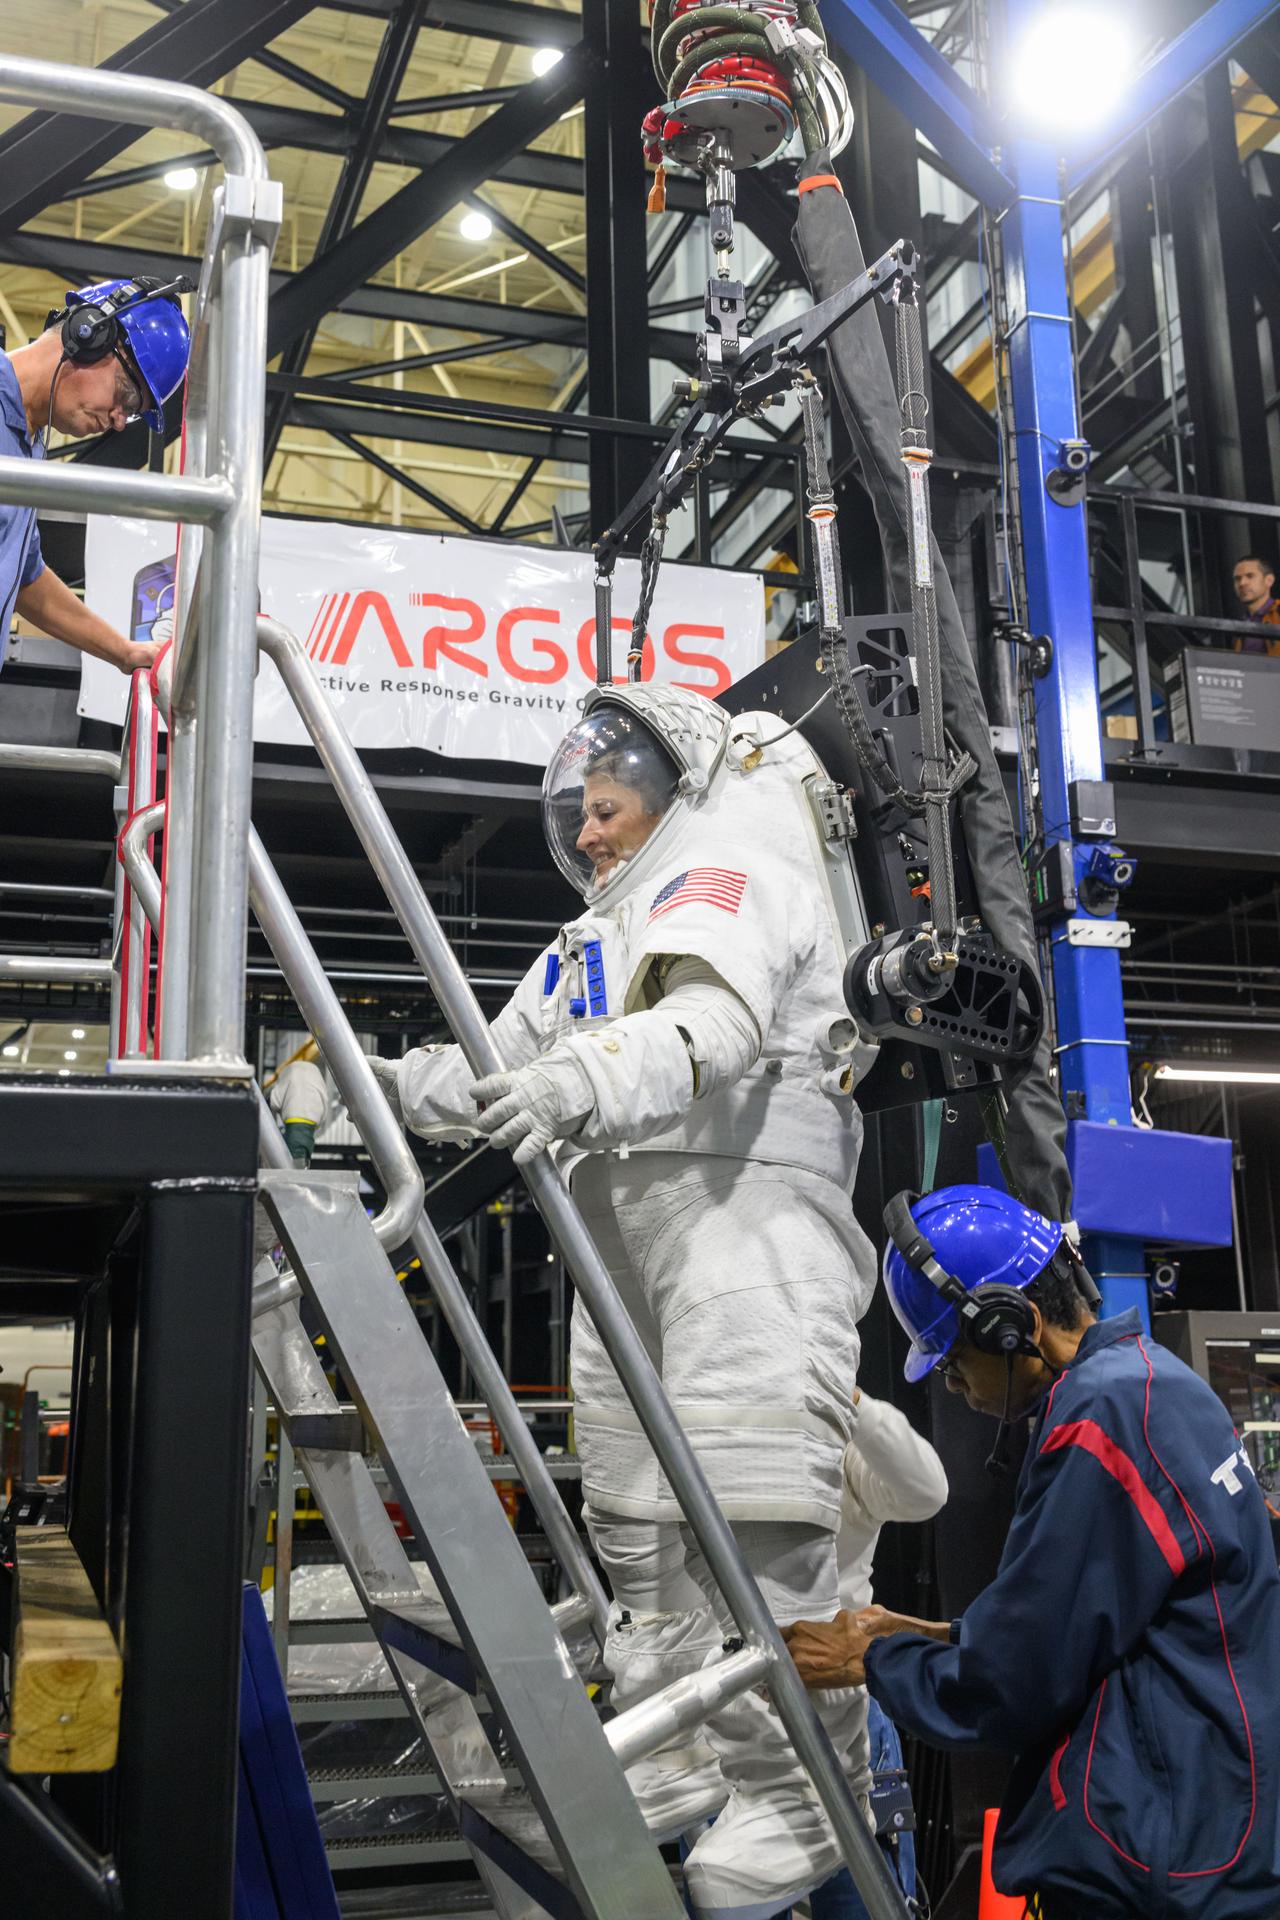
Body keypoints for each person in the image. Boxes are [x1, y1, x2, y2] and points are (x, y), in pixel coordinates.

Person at [373, 682, 882, 1919]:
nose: (589, 832)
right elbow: (501, 1068)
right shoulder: (595, 936)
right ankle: (676, 1743)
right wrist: (375, 1083)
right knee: (635, 1522)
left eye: (607, 809)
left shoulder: (729, 872)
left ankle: (806, 1793)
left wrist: (574, 1084)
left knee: (756, 1514)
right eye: (581, 814)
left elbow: (708, 1023)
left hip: (743, 1222)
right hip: (623, 1238)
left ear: (675, 792)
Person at [783, 1184, 1280, 1920]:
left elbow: (1011, 1686)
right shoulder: (1162, 1385)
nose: (956, 1386)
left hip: (1164, 1862)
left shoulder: (1099, 1424)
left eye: (953, 1362)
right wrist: (930, 1634)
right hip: (1216, 1820)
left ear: (1016, 1325)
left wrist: (871, 1661)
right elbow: (1100, 1619)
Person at [0, 276, 190, 680]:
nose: (119, 421)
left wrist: (124, 652)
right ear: (88, 334)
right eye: (126, 395)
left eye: (132, 412)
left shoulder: (27, 444)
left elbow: (27, 578)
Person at [804, 1389, 947, 1920]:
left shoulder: (839, 1433)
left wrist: (849, 1398)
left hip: (845, 1709)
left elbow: (926, 1491)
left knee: (863, 1901)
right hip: (733, 1714)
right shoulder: (703, 1424)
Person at [1230, 553, 1280, 656]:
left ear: (1269, 580)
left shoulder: (1278, 612)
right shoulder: (1239, 626)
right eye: (1237, 578)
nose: (1242, 583)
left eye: (1250, 576)